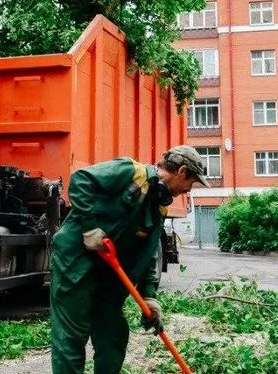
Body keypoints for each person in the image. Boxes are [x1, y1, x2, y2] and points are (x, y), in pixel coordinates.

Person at [50, 146, 209, 374]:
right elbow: (81, 180)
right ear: (182, 171)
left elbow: (148, 251)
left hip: (108, 271)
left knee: (113, 334)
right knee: (71, 336)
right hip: (75, 261)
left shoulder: (158, 208)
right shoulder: (131, 172)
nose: (187, 191)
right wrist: (89, 227)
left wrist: (149, 296)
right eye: (191, 184)